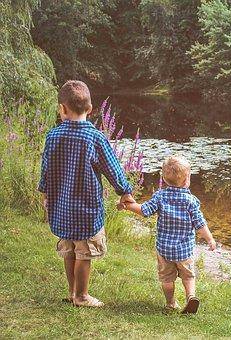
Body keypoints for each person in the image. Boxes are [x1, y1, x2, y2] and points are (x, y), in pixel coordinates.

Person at [38, 80, 135, 307]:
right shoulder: (95, 137)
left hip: (61, 206)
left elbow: (46, 168)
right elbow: (112, 168)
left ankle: (72, 292)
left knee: (69, 249)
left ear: (62, 108)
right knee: (84, 253)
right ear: (90, 109)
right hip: (86, 209)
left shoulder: (53, 136)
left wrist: (45, 193)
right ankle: (82, 296)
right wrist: (125, 192)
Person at [119, 155, 216, 314]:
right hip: (184, 250)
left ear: (163, 179)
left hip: (164, 250)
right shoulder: (190, 201)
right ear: (187, 181)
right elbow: (200, 224)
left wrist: (128, 206)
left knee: (167, 279)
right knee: (188, 277)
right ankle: (191, 297)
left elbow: (144, 211)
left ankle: (171, 303)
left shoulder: (160, 196)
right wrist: (210, 239)